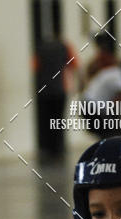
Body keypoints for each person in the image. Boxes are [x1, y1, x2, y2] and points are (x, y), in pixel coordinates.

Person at [33, 29, 78, 159]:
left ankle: (47, 147)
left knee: (46, 120)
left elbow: (35, 67)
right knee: (59, 120)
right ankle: (59, 147)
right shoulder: (65, 47)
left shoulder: (40, 48)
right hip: (60, 88)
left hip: (44, 89)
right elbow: (74, 64)